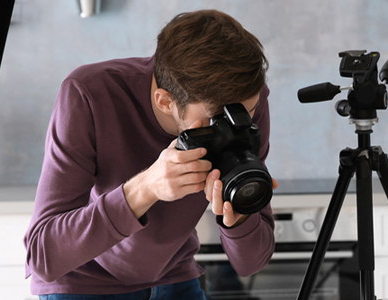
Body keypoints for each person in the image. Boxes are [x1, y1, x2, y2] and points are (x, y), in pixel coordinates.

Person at [23, 9, 276, 299]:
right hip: (82, 284)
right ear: (165, 101)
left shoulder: (246, 100)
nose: (236, 123)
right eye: (217, 117)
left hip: (174, 277)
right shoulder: (89, 94)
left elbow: (251, 263)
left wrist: (240, 217)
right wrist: (145, 188)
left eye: (247, 111)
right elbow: (43, 256)